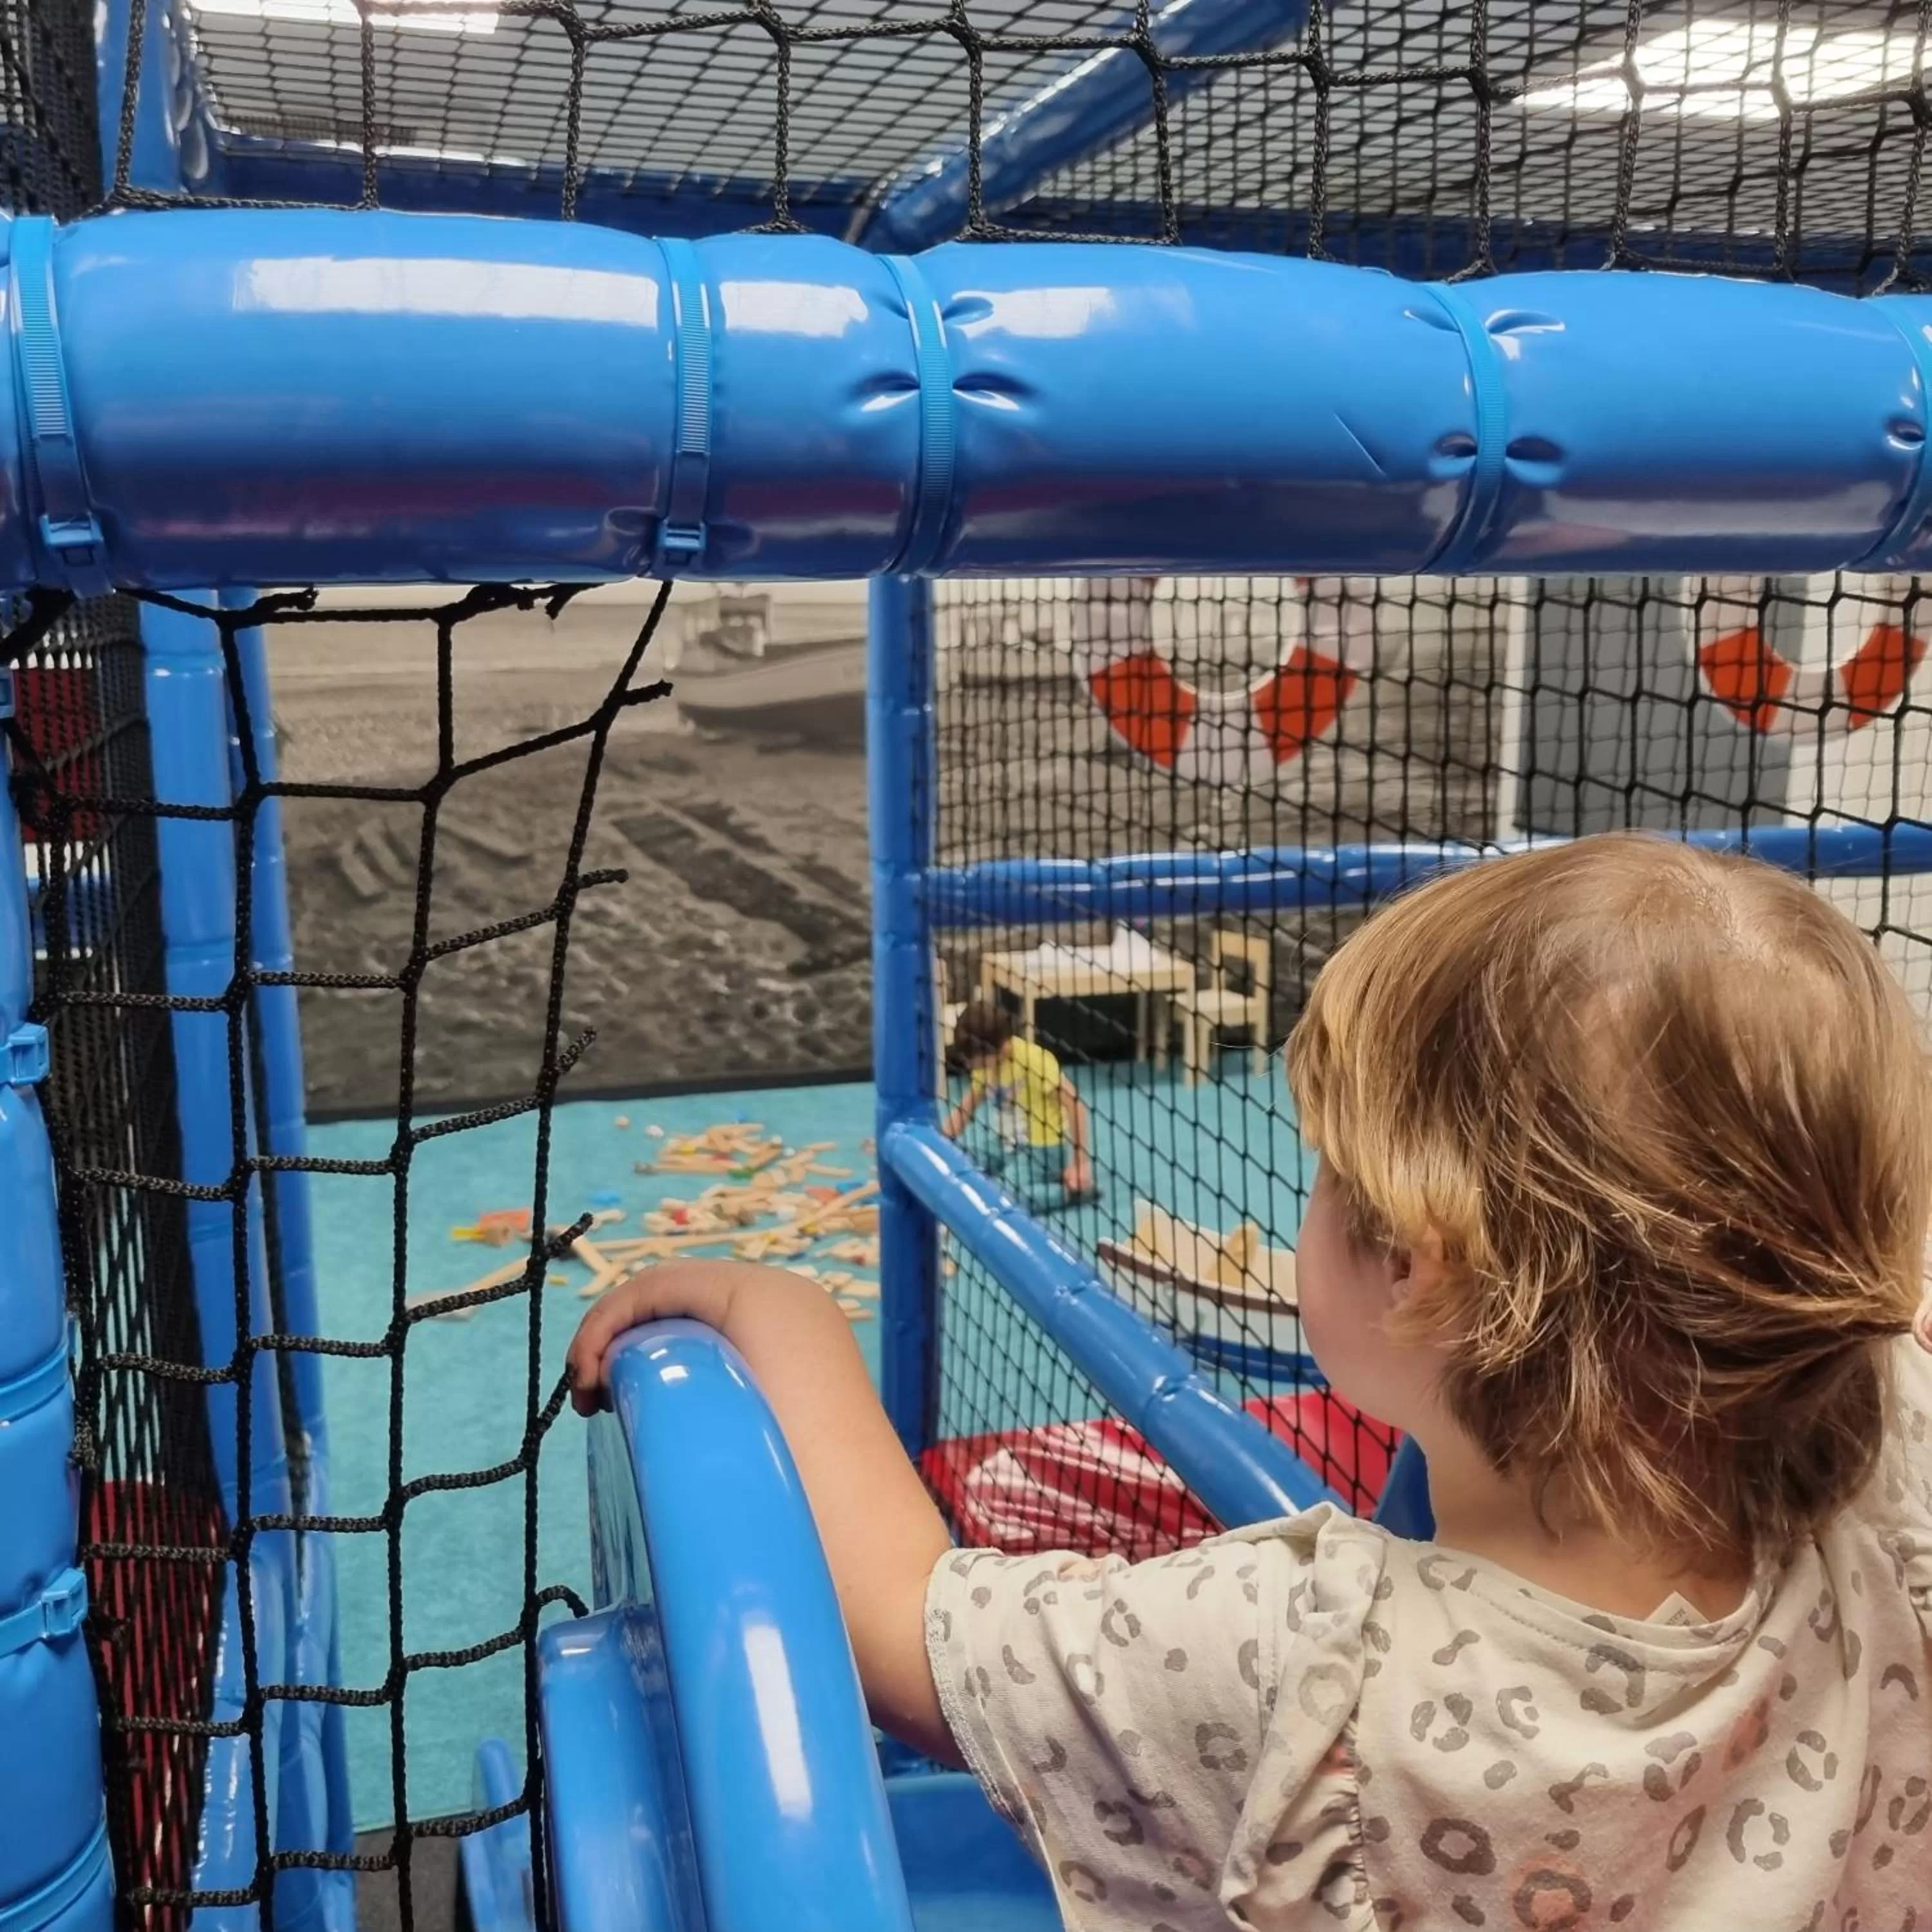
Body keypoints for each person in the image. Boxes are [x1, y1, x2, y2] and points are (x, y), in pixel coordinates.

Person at [568, 834, 1932, 1928]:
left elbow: (906, 1636)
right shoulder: (1884, 1498)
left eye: (1327, 1171)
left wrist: (784, 1311)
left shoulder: (1304, 1658)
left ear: (1411, 1270)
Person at [940, 999, 1095, 1209]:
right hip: (1004, 1144)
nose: (969, 1065)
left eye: (974, 1059)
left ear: (999, 1048)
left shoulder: (1033, 1060)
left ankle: (1073, 1194)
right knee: (960, 1165)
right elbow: (967, 1108)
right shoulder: (984, 1066)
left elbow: (1075, 1104)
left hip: (1041, 1149)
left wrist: (1079, 1164)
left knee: (1005, 1196)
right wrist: (941, 1141)